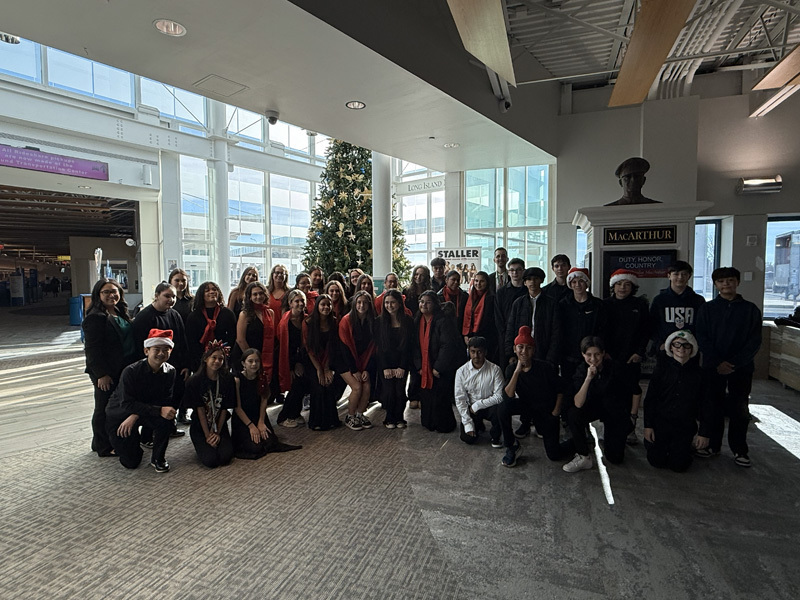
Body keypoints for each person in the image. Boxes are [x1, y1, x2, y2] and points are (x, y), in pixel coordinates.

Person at [695, 267, 762, 467]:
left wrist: (734, 363)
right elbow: (702, 337)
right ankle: (713, 445)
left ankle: (739, 449)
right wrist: (717, 362)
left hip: (741, 368)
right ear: (715, 285)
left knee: (739, 408)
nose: (726, 285)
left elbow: (754, 341)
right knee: (711, 405)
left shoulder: (750, 309)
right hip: (712, 367)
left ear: (737, 282)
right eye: (721, 281)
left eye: (730, 280)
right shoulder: (707, 309)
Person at [497, 327, 574, 468]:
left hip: (546, 410)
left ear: (533, 350)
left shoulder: (545, 368)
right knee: (503, 408)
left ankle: (576, 442)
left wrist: (556, 413)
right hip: (527, 407)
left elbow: (561, 389)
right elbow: (508, 397)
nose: (524, 352)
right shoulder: (511, 369)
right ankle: (512, 446)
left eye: (528, 348)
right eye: (520, 347)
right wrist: (517, 371)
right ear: (515, 348)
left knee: (554, 454)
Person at [105, 329, 178, 472]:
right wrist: (135, 414)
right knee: (131, 462)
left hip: (142, 411)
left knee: (166, 419)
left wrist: (137, 415)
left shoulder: (171, 371)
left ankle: (158, 458)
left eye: (166, 349)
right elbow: (126, 403)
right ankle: (130, 443)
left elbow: (164, 399)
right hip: (121, 414)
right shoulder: (130, 371)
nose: (161, 353)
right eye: (156, 349)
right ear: (146, 351)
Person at [82, 278, 137, 457]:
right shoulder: (96, 318)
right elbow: (92, 350)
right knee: (103, 408)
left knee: (114, 406)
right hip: (106, 372)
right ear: (98, 295)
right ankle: (103, 446)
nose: (111, 295)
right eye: (106, 292)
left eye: (114, 291)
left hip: (122, 369)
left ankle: (100, 442)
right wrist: (101, 374)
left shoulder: (119, 312)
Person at [643, 331, 711, 472]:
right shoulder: (661, 370)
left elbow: (706, 405)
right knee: (656, 461)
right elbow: (650, 400)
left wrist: (704, 433)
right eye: (677, 344)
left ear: (692, 349)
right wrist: (648, 426)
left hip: (684, 425)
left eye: (686, 345)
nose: (681, 349)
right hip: (661, 423)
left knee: (679, 466)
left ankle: (683, 448)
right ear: (671, 347)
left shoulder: (700, 375)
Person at [562, 336, 633, 473]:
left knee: (615, 458)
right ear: (583, 355)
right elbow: (578, 403)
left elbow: (633, 392)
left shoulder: (615, 368)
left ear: (603, 353)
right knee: (573, 414)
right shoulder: (581, 370)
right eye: (589, 355)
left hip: (613, 410)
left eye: (597, 354)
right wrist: (588, 379)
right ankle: (583, 456)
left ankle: (615, 436)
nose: (593, 359)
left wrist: (631, 417)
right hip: (592, 407)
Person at [132, 282, 190, 440]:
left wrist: (185, 365)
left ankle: (169, 427)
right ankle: (147, 435)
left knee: (173, 398)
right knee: (155, 401)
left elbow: (182, 341)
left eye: (173, 296)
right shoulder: (144, 317)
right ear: (156, 296)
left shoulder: (174, 314)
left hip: (174, 368)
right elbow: (138, 347)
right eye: (167, 296)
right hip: (152, 369)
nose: (171, 300)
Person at [602, 269, 650, 445]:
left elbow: (646, 332)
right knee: (611, 393)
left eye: (627, 284)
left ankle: (630, 428)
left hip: (632, 358)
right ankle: (610, 428)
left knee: (631, 392)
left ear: (633, 287)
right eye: (619, 284)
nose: (622, 288)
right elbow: (601, 331)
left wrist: (639, 352)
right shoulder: (605, 305)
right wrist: (604, 352)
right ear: (613, 286)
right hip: (609, 358)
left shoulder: (640, 305)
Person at [232, 348, 302, 459]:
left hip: (258, 415)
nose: (254, 364)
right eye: (250, 361)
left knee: (269, 442)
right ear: (243, 363)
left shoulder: (262, 377)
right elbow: (237, 408)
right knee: (255, 448)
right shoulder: (237, 380)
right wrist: (251, 426)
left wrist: (261, 422)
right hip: (243, 419)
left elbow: (264, 400)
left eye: (257, 361)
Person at [413, 291, 465, 433]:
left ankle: (444, 425)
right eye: (421, 301)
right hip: (424, 366)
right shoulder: (418, 320)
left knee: (440, 398)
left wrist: (438, 368)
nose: (424, 305)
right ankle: (428, 422)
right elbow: (414, 346)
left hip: (440, 368)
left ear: (435, 304)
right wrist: (419, 366)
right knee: (426, 396)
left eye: (428, 302)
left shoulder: (443, 320)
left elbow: (447, 346)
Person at [184, 341, 235, 468]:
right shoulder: (194, 381)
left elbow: (224, 408)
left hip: (219, 424)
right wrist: (208, 436)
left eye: (221, 359)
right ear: (206, 358)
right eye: (214, 357)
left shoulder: (227, 379)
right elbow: (199, 409)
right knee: (210, 461)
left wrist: (217, 433)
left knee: (225, 457)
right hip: (200, 427)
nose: (217, 361)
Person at [454, 337, 505, 446]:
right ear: (469, 351)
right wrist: (468, 424)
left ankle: (495, 436)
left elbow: (499, 396)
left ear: (485, 352)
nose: (476, 356)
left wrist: (478, 405)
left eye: (479, 352)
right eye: (473, 352)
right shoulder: (461, 372)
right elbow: (460, 399)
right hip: (471, 409)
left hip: (489, 406)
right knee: (468, 439)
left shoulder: (495, 370)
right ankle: (478, 424)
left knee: (500, 409)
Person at [504, 267, 560, 367]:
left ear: (541, 280)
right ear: (525, 282)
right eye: (529, 279)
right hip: (522, 352)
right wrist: (510, 354)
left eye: (536, 279)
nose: (532, 282)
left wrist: (551, 357)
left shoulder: (551, 303)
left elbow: (556, 331)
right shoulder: (518, 303)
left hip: (544, 352)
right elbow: (510, 328)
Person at [304, 294, 345, 430]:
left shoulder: (334, 322)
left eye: (328, 305)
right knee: (318, 386)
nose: (326, 307)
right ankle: (316, 422)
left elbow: (332, 347)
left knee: (329, 384)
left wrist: (327, 368)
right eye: (323, 305)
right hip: (312, 362)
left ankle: (331, 420)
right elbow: (309, 348)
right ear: (317, 307)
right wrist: (319, 369)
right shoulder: (308, 323)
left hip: (329, 361)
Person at [649, 260, 705, 357]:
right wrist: (660, 344)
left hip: (690, 351)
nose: (680, 277)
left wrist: (695, 345)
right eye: (676, 274)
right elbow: (651, 325)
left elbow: (703, 326)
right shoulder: (659, 300)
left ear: (689, 276)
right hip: (665, 350)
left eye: (684, 274)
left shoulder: (698, 300)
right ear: (669, 276)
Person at [557, 267, 605, 382]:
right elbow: (558, 330)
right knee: (568, 388)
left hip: (592, 357)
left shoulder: (598, 305)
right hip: (568, 356)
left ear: (587, 283)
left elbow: (604, 329)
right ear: (570, 284)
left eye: (581, 281)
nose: (577, 285)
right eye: (574, 282)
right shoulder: (563, 305)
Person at [375, 290, 413, 428]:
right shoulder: (379, 321)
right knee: (389, 391)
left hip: (402, 363)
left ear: (399, 303)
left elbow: (409, 346)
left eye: (392, 302)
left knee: (399, 390)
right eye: (386, 303)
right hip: (385, 363)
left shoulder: (408, 320)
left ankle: (400, 418)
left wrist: (402, 367)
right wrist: (385, 367)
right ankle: (389, 418)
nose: (389, 305)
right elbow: (379, 347)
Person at [339, 290, 377, 430]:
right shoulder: (346, 321)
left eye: (365, 303)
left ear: (369, 305)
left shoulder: (372, 321)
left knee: (367, 385)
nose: (362, 305)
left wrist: (366, 369)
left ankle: (360, 414)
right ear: (354, 304)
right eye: (359, 302)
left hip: (363, 361)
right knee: (357, 386)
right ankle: (350, 415)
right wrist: (354, 370)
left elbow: (372, 349)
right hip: (345, 362)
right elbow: (344, 348)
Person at [232, 281, 275, 396]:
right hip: (244, 355)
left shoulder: (270, 313)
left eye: (261, 293)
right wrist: (252, 358)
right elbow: (240, 339)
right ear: (249, 297)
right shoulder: (245, 314)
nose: (258, 297)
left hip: (263, 354)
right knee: (246, 391)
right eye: (255, 294)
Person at [276, 290, 311, 428]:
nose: (300, 304)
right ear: (290, 303)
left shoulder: (306, 319)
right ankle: (283, 416)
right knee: (296, 385)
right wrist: (292, 366)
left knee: (303, 384)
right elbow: (284, 346)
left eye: (302, 300)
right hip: (289, 359)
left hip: (304, 358)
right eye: (297, 301)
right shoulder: (285, 322)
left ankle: (295, 413)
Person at [185, 281, 237, 372]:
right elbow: (191, 342)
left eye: (214, 289)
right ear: (201, 295)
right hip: (200, 360)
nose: (212, 292)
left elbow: (233, 337)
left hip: (222, 359)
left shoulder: (227, 313)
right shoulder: (194, 316)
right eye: (207, 290)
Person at [494, 258, 526, 359]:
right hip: (506, 338)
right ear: (508, 272)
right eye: (512, 270)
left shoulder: (528, 291)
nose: (515, 273)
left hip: (525, 337)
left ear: (523, 271)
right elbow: (498, 318)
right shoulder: (501, 293)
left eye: (518, 270)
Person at [462, 271, 496, 362]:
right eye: (476, 281)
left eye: (482, 281)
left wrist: (476, 337)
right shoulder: (471, 296)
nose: (478, 284)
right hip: (471, 337)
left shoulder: (491, 298)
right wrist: (466, 335)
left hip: (485, 337)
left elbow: (489, 321)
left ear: (487, 282)